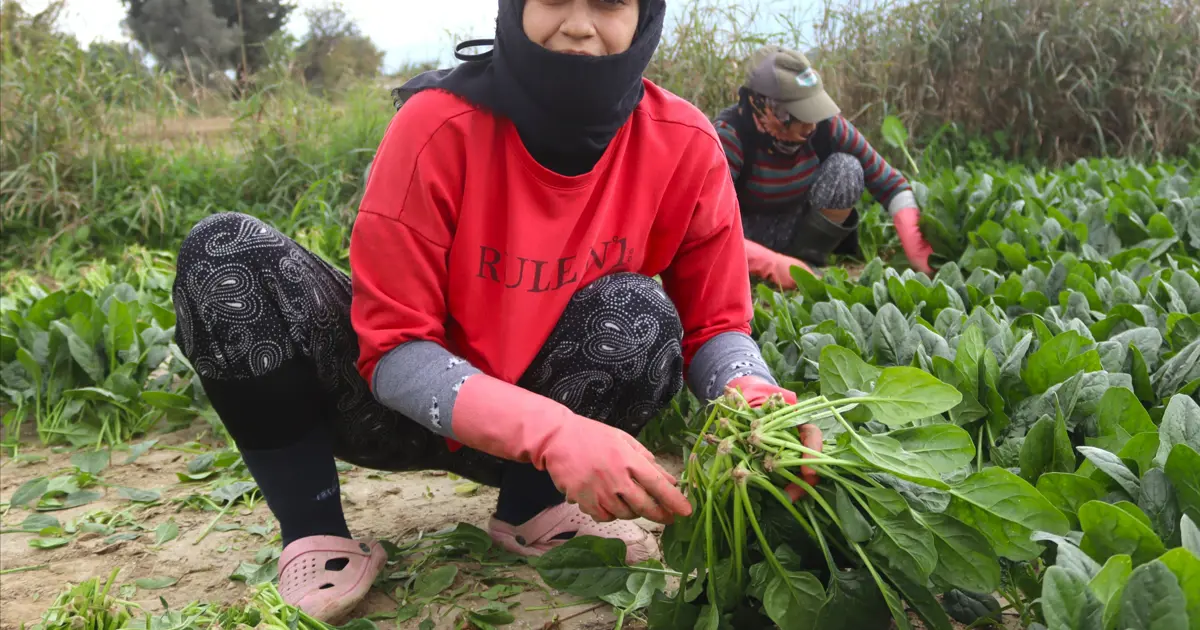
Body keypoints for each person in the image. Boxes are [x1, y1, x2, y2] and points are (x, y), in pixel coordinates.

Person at [170, 0, 822, 622]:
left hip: (540, 436)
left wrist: (754, 397)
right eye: (553, 1)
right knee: (225, 252)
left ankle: (532, 511)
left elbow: (717, 325)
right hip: (386, 408)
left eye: (608, 4)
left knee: (641, 314)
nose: (577, 26)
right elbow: (394, 350)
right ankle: (314, 533)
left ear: (644, 16)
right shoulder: (435, 125)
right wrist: (552, 432)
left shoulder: (683, 144)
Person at [716, 45, 935, 290]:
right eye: (800, 114)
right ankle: (768, 273)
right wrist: (771, 264)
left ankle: (806, 263)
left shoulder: (826, 127)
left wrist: (918, 246)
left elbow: (890, 184)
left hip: (796, 225)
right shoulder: (729, 137)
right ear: (764, 107)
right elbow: (708, 223)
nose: (810, 126)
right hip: (745, 236)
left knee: (847, 169)